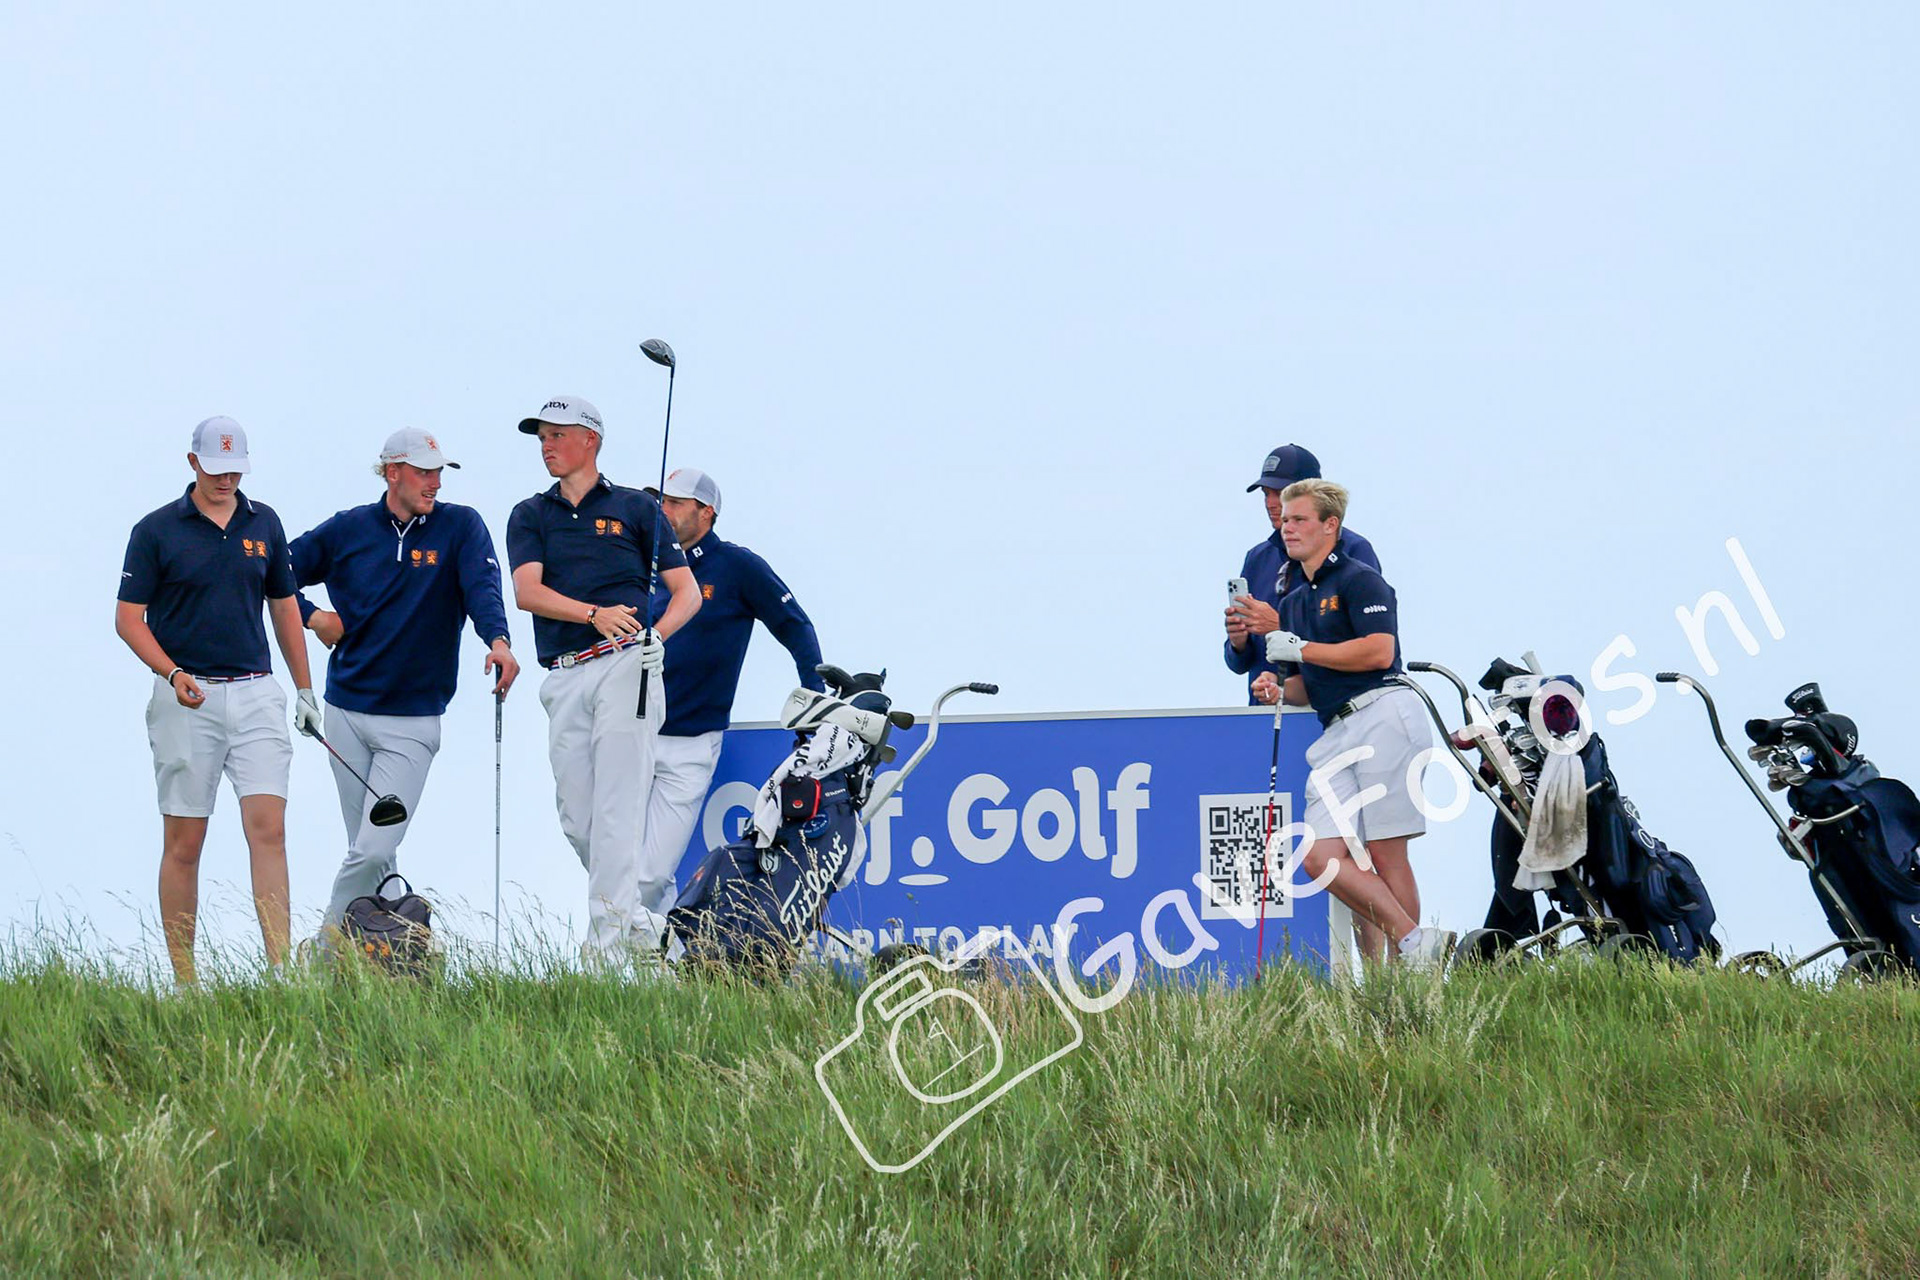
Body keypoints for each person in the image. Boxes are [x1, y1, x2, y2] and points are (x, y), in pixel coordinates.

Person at [289, 428, 520, 934]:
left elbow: (483, 589)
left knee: (373, 849)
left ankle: (323, 955)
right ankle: (389, 954)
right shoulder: (348, 529)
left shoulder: (460, 526)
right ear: (392, 472)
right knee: (371, 854)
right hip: (345, 712)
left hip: (412, 722)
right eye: (423, 472)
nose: (435, 483)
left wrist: (498, 641)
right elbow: (275, 571)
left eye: (439, 472)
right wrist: (312, 617)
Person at [114, 416, 318, 986]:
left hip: (256, 692)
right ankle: (186, 983)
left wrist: (304, 689)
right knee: (185, 841)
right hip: (187, 696)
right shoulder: (156, 530)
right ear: (193, 463)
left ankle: (280, 973)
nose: (227, 480)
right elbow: (128, 619)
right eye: (216, 468)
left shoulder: (264, 522)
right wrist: (171, 671)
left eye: (236, 470)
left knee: (269, 829)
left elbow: (283, 606)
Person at [504, 396, 701, 966]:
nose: (546, 445)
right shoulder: (530, 513)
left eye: (557, 435)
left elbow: (686, 593)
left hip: (625, 664)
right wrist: (593, 613)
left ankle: (603, 957)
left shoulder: (635, 507)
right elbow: (527, 593)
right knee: (579, 818)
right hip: (564, 673)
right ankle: (653, 934)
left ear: (590, 439)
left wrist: (656, 637)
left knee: (617, 810)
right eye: (542, 437)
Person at [1250, 478, 1451, 967]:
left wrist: (1302, 649)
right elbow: (1309, 683)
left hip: (1384, 713)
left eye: (1299, 519)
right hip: (1336, 728)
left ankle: (1403, 979)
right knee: (1321, 857)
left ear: (1330, 526)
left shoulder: (1360, 579)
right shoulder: (1293, 601)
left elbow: (1379, 651)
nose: (1287, 526)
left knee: (1384, 853)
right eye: (1286, 519)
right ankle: (1415, 943)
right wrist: (1280, 687)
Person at [638, 467, 825, 914]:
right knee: (617, 861)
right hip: (633, 731)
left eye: (675, 503)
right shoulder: (645, 563)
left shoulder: (736, 566)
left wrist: (815, 697)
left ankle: (618, 950)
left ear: (706, 512)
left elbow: (795, 626)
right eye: (661, 502)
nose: (663, 511)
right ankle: (659, 951)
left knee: (649, 873)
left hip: (691, 741)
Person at [1225, 444, 1380, 705]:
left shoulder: (1353, 550)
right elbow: (1239, 663)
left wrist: (1280, 625)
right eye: (1266, 494)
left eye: (1280, 493)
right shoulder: (1258, 557)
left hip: (1334, 712)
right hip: (1265, 713)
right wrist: (1238, 643)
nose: (1271, 503)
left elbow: (1364, 644)